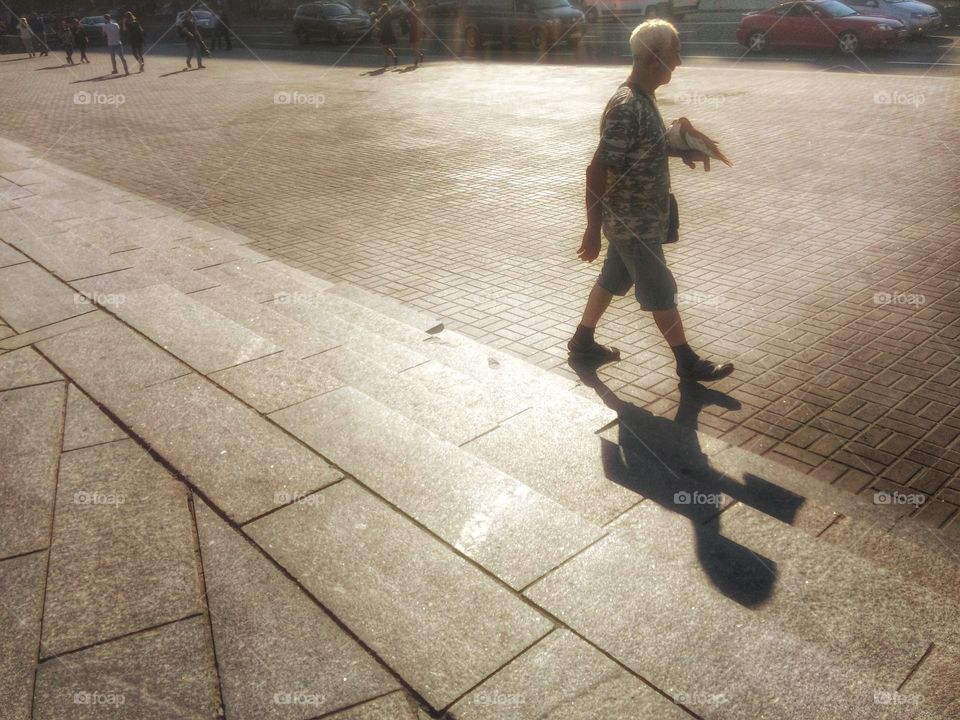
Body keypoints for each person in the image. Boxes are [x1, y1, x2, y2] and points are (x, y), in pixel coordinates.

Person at [568, 19, 733, 382]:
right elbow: (596, 169)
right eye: (675, 52)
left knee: (612, 278)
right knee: (661, 289)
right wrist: (592, 229)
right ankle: (687, 361)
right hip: (632, 224)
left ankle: (582, 342)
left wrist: (679, 149)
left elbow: (638, 151)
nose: (678, 61)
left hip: (639, 219)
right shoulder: (628, 106)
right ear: (655, 57)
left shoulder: (643, 99)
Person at [375, 1, 397, 68]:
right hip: (389, 32)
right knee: (387, 47)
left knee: (384, 48)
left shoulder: (383, 16)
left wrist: (376, 22)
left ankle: (387, 63)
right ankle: (394, 56)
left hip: (384, 33)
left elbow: (381, 25)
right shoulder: (389, 14)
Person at [408, 0, 423, 66]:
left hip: (415, 29)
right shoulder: (411, 12)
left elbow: (417, 20)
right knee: (413, 46)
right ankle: (420, 55)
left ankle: (416, 59)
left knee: (415, 45)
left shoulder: (415, 11)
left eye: (409, 5)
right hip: (413, 29)